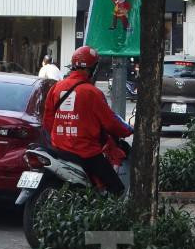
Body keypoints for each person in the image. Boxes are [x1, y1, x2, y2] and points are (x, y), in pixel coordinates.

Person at [42, 45, 133, 196]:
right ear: (92, 68)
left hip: (59, 149)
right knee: (117, 189)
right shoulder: (92, 93)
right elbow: (110, 122)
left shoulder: (56, 88)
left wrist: (62, 135)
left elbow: (47, 121)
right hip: (85, 152)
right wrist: (127, 130)